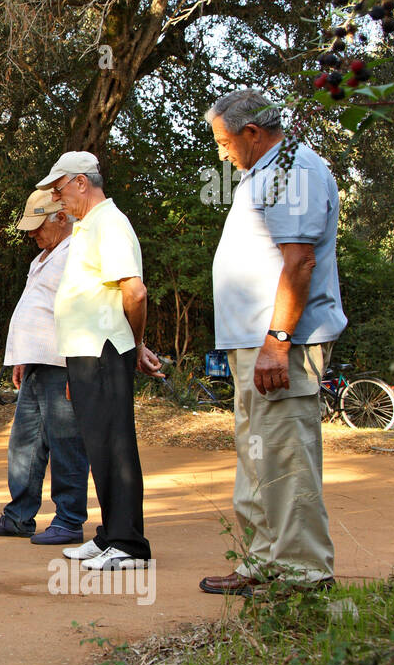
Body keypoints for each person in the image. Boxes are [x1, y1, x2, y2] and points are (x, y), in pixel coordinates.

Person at [199, 89, 346, 594]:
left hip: (280, 344)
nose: (220, 151)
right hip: (252, 344)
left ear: (253, 133)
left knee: (284, 458)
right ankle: (263, 562)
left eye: (223, 141)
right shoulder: (259, 175)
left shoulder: (294, 171)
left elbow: (300, 260)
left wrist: (277, 341)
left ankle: (304, 576)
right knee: (258, 455)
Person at [38, 151, 163, 571]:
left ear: (80, 182)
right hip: (88, 354)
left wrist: (136, 342)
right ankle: (110, 535)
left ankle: (130, 543)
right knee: (98, 443)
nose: (57, 198)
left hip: (106, 350)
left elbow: (135, 292)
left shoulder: (109, 222)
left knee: (115, 444)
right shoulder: (87, 227)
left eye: (59, 189)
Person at [0, 189, 90, 544]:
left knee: (66, 442)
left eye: (37, 225)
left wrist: (78, 364)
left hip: (62, 361)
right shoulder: (43, 257)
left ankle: (69, 520)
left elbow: (85, 309)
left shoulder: (80, 251)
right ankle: (19, 516)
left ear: (60, 217)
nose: (32, 234)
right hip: (38, 363)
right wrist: (23, 354)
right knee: (24, 443)